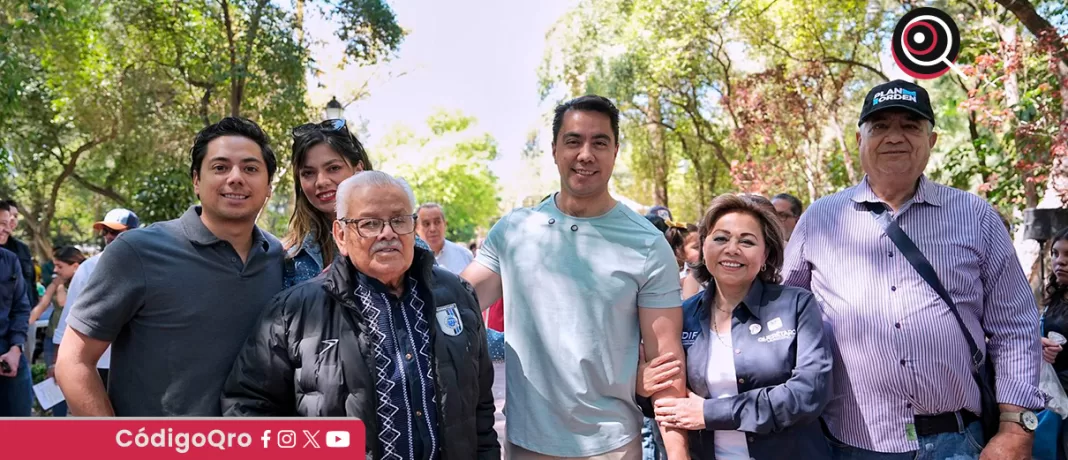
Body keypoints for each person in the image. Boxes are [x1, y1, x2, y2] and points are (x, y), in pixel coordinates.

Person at [782, 80, 1043, 459]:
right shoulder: (820, 219)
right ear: (860, 138)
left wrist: (1015, 428)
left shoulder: (976, 217)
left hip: (956, 444)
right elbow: (783, 314)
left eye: (909, 125)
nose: (895, 137)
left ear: (932, 139)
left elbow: (1015, 326)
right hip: (850, 445)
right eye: (881, 126)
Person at [461, 95, 689, 459]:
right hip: (525, 444)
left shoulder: (647, 244)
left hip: (612, 445)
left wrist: (679, 455)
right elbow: (458, 302)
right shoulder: (514, 232)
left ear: (615, 150)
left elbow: (667, 366)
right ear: (554, 150)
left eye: (600, 142)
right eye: (573, 141)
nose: (586, 154)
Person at [223, 171, 500, 459]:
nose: (388, 233)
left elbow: (480, 408)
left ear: (412, 227)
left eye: (399, 220)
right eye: (369, 223)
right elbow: (247, 407)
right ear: (341, 235)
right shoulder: (293, 312)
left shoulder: (456, 296)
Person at [55, 117, 285, 416]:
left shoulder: (278, 257)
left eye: (251, 168)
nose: (235, 177)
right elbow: (73, 361)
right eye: (220, 167)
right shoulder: (136, 252)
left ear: (268, 186)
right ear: (196, 181)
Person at [639, 193, 832, 459]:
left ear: (765, 254)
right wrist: (641, 388)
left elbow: (810, 393)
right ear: (704, 246)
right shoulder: (682, 316)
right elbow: (665, 403)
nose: (732, 248)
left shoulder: (796, 305)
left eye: (747, 241)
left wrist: (710, 413)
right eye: (721, 238)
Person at [282, 118, 429, 288]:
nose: (321, 181)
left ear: (358, 169)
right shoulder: (292, 257)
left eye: (333, 168)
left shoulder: (409, 245)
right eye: (308, 173)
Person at [51, 208, 140, 394]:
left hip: (139, 364)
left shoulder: (151, 265)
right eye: (105, 231)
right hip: (95, 364)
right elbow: (69, 317)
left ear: (135, 232)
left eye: (114, 231)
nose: (108, 236)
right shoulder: (88, 268)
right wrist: (56, 363)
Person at [0, 203, 31, 416]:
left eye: (8, 223)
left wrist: (16, 348)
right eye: (1, 224)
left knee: (19, 419)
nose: (8, 229)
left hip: (7, 350)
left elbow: (21, 307)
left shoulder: (10, 260)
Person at [1041, 227, 1068, 389]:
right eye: (1055, 253)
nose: (1060, 261)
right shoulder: (1056, 297)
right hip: (1052, 394)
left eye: (1067, 255)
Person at [417, 202, 474, 274]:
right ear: (416, 228)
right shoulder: (410, 259)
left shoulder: (464, 255)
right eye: (426, 224)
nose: (432, 229)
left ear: (445, 224)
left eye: (437, 222)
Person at [0, 199, 37, 309]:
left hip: (24, 315)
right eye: (8, 215)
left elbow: (31, 281)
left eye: (15, 216)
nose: (11, 219)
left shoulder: (22, 249)